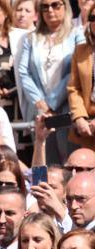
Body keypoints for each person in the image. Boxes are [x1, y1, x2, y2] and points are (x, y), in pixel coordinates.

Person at [16, 0, 83, 163]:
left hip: (67, 108)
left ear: (65, 7)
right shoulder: (30, 38)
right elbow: (23, 71)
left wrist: (52, 102)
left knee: (69, 161)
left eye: (55, 5)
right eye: (44, 7)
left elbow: (76, 70)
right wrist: (39, 102)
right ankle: (42, 189)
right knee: (44, 160)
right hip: (41, 112)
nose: (50, 10)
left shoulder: (77, 34)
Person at [66, 12, 95, 150]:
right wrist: (79, 117)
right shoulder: (80, 51)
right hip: (86, 127)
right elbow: (74, 88)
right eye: (93, 18)